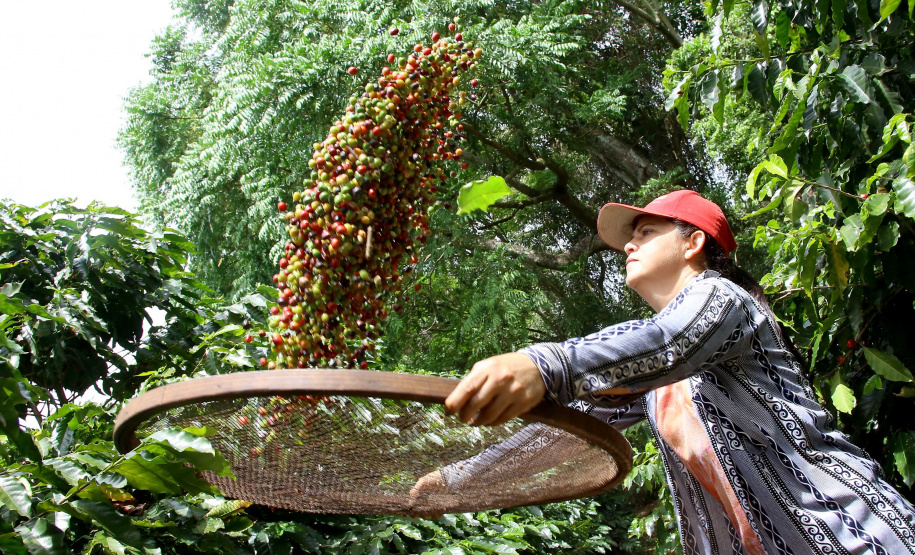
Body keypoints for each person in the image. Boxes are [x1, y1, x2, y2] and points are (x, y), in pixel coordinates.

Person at [422, 190, 915, 554]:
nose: (628, 247)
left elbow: (669, 341)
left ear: (692, 242)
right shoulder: (655, 380)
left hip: (852, 534)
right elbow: (569, 432)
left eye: (645, 232)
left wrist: (541, 362)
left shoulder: (724, 300)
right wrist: (461, 478)